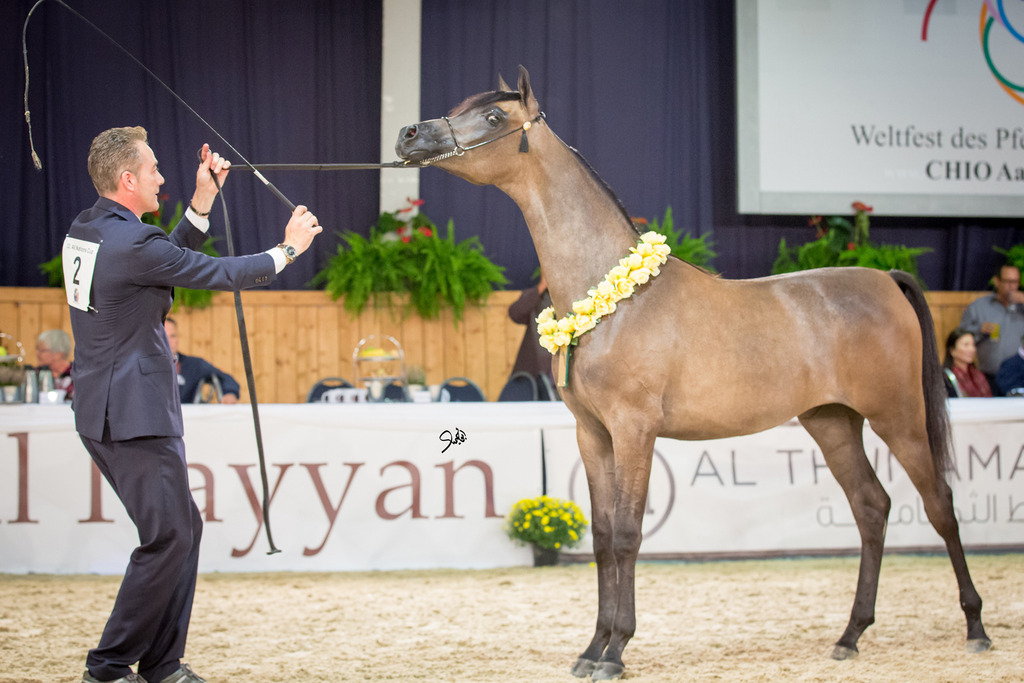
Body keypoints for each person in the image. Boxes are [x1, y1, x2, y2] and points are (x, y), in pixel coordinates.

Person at [67, 126, 321, 683]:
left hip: (108, 409)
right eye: (154, 169)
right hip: (131, 413)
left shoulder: (90, 229)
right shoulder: (131, 244)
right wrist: (288, 250)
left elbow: (164, 258)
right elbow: (217, 273)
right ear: (128, 179)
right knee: (169, 537)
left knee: (183, 528)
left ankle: (162, 665)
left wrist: (203, 199)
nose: (162, 177)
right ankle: (108, 667)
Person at [958, 263, 1024, 394]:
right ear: (996, 281)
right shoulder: (978, 307)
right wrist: (978, 330)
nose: (1012, 286)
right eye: (1008, 281)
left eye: (1015, 282)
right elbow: (959, 337)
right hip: (987, 376)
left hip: (1019, 376)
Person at [163, 317, 239, 404]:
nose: (168, 341)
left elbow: (225, 378)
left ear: (178, 339)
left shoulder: (194, 365)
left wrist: (230, 393)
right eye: (164, 337)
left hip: (188, 416)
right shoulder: (146, 366)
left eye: (172, 336)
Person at [507, 272, 555, 396]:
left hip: (561, 373)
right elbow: (515, 313)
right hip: (534, 373)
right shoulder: (538, 296)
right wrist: (541, 287)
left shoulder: (573, 297)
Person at [942, 327, 992, 398]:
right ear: (952, 351)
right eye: (966, 345)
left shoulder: (978, 374)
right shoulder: (947, 378)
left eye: (973, 345)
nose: (972, 349)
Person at [36, 328, 74, 400]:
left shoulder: (76, 375)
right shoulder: (35, 374)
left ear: (58, 354)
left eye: (42, 350)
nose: (37, 354)